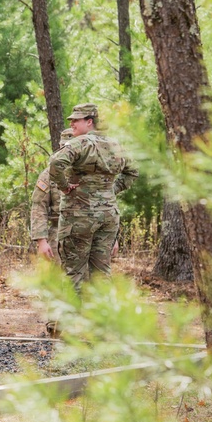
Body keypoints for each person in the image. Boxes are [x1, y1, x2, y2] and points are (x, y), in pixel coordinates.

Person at [47, 103, 138, 290]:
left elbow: (56, 162)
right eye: (71, 120)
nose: (72, 124)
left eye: (76, 120)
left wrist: (64, 187)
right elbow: (133, 171)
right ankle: (103, 318)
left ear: (89, 122)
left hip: (79, 215)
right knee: (102, 272)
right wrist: (110, 191)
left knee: (74, 271)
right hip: (108, 215)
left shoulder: (80, 143)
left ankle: (75, 318)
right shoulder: (115, 145)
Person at [30, 128, 74, 262]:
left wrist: (113, 238)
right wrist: (41, 241)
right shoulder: (49, 174)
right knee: (58, 280)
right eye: (63, 147)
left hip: (88, 234)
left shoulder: (90, 173)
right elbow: (38, 206)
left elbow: (105, 205)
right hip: (58, 234)